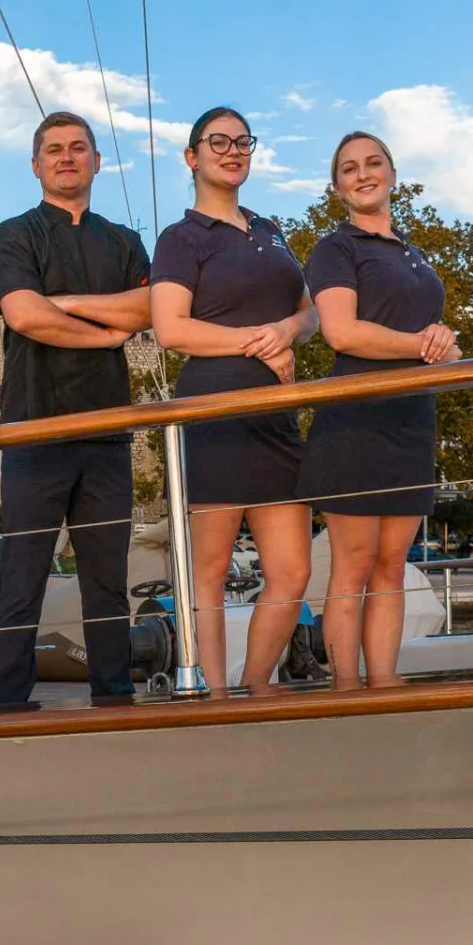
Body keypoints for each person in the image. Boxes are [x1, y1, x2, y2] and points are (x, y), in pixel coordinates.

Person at [0, 112, 152, 705]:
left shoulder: (124, 242)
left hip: (107, 433)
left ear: (96, 162)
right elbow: (25, 315)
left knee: (107, 581)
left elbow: (149, 310)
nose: (66, 157)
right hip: (35, 430)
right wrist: (105, 332)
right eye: (53, 149)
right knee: (21, 577)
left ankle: (115, 697)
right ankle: (5, 704)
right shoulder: (14, 235)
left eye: (78, 148)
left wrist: (71, 304)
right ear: (36, 165)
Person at [150, 107, 317, 693]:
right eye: (217, 141)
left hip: (276, 414)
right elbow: (171, 329)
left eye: (243, 141)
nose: (232, 150)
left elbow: (310, 309)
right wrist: (257, 342)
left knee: (293, 570)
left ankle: (255, 685)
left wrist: (288, 334)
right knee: (209, 572)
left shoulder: (271, 229)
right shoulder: (180, 238)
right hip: (212, 410)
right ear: (192, 157)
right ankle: (212, 693)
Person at [297, 131, 460, 689]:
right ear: (337, 185)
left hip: (412, 420)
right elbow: (342, 332)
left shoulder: (412, 252)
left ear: (392, 172)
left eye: (373, 163)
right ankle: (347, 689)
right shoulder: (336, 249)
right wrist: (421, 344)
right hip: (356, 418)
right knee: (355, 564)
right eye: (349, 168)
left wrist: (443, 344)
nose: (363, 174)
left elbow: (436, 344)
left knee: (394, 564)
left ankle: (385, 682)